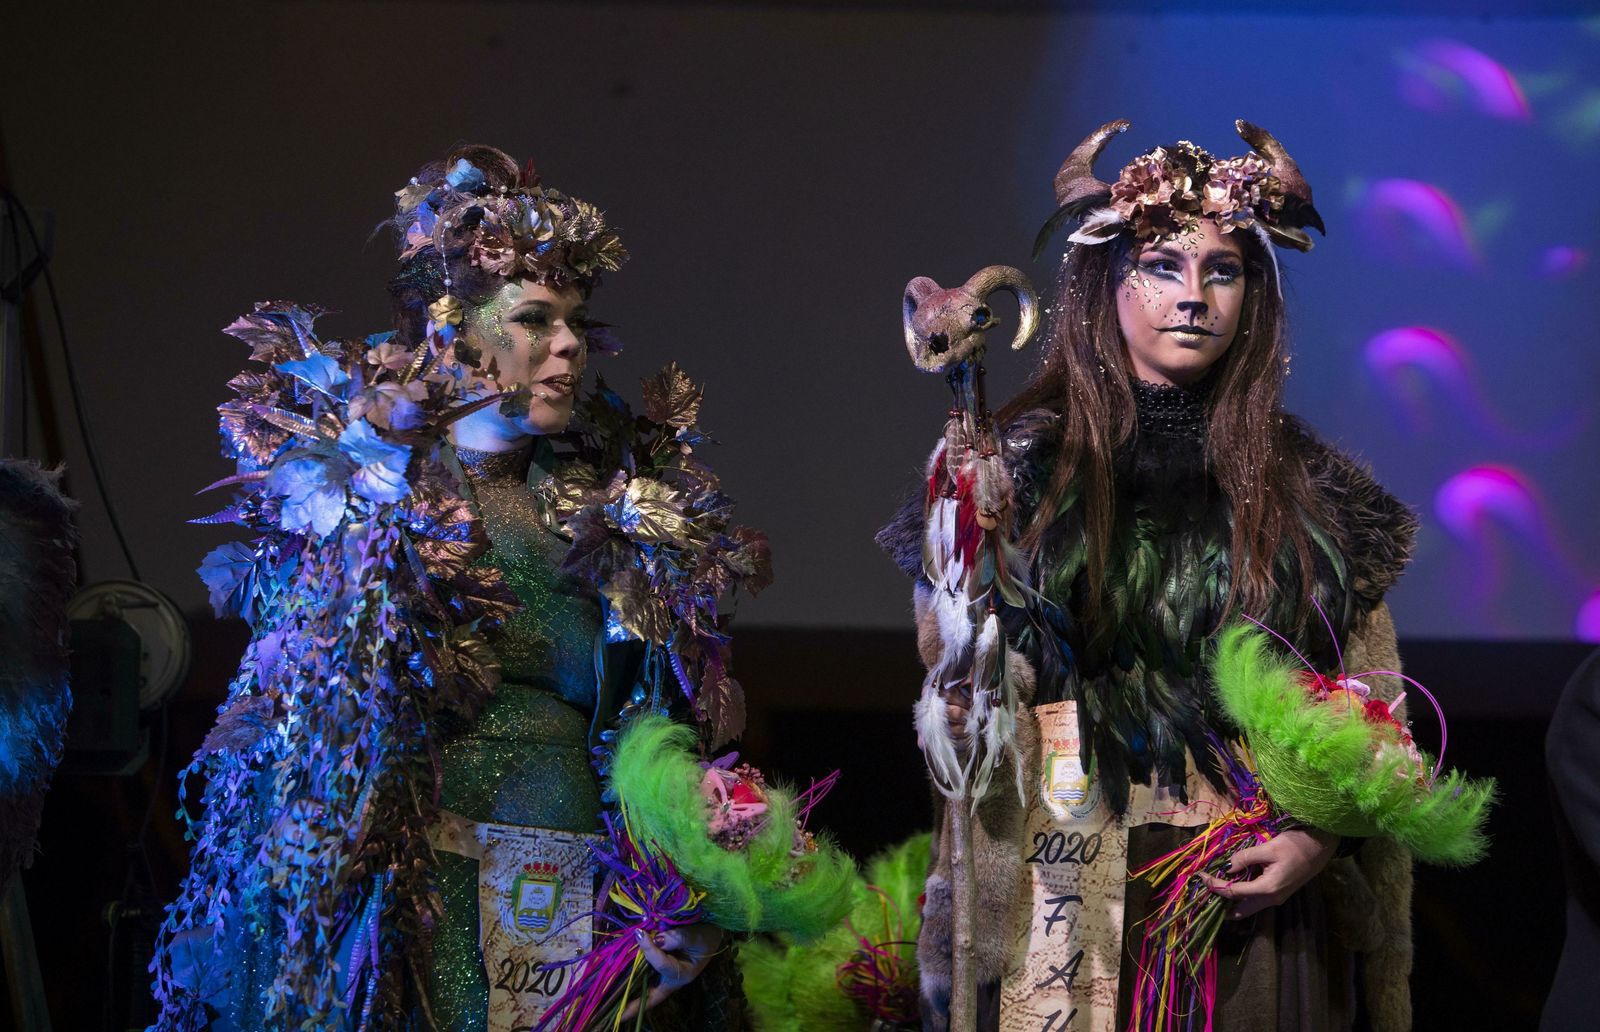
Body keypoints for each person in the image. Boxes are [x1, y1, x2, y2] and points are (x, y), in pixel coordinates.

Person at [151, 146, 749, 1031]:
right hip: (426, 895)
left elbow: (644, 718)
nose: (570, 344)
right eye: (537, 317)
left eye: (576, 320)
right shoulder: (377, 500)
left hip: (577, 903)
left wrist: (682, 821)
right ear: (456, 325)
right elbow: (320, 714)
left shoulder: (610, 500)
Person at [880, 121, 1418, 1031]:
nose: (1195, 297)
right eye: (1164, 266)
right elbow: (958, 684)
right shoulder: (1017, 468)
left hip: (1252, 896)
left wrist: (1319, 836)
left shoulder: (1315, 494)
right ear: (1103, 284)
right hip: (1067, 876)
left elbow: (1371, 694)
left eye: (1225, 270)